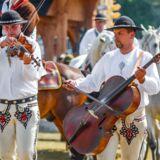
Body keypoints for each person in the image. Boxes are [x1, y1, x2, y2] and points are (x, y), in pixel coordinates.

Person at [63, 16, 160, 160]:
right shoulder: (108, 57)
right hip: (106, 121)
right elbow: (93, 81)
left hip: (133, 120)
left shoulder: (144, 57)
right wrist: (76, 84)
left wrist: (143, 79)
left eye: (120, 33)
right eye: (115, 34)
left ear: (132, 34)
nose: (116, 37)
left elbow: (155, 88)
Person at [0, 10, 45, 160]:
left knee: (26, 153)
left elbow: (35, 76)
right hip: (2, 108)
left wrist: (27, 64)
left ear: (20, 26)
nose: (10, 31)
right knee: (4, 154)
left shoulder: (32, 45)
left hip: (26, 106)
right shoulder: (0, 44)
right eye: (6, 28)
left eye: (13, 27)